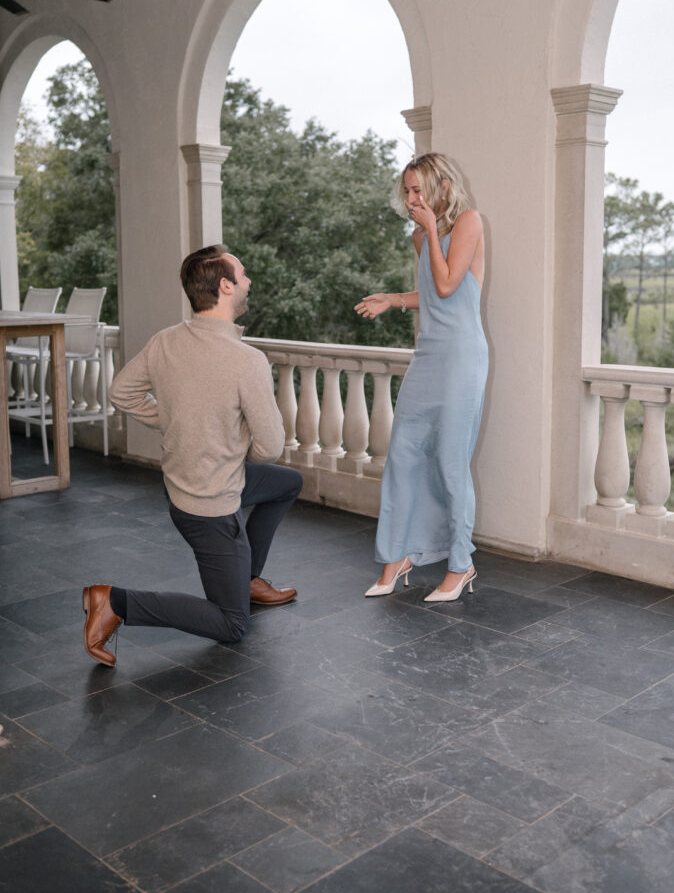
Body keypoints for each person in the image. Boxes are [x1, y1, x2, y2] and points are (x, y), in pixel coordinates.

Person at [82, 244, 302, 666]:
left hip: (183, 485)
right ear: (225, 285)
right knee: (232, 625)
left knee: (286, 484)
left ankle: (248, 577)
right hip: (210, 506)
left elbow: (121, 393)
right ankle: (115, 601)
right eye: (243, 274)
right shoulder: (246, 360)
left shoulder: (166, 341)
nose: (248, 280)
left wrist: (171, 422)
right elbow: (270, 447)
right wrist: (221, 441)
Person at [355, 152, 488, 602]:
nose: (411, 199)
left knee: (451, 463)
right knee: (404, 456)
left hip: (461, 358)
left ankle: (460, 563)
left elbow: (450, 284)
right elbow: (431, 292)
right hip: (428, 355)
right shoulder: (420, 236)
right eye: (407, 191)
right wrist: (394, 299)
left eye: (418, 190)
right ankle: (398, 555)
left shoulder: (469, 222)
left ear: (442, 187)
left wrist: (432, 230)